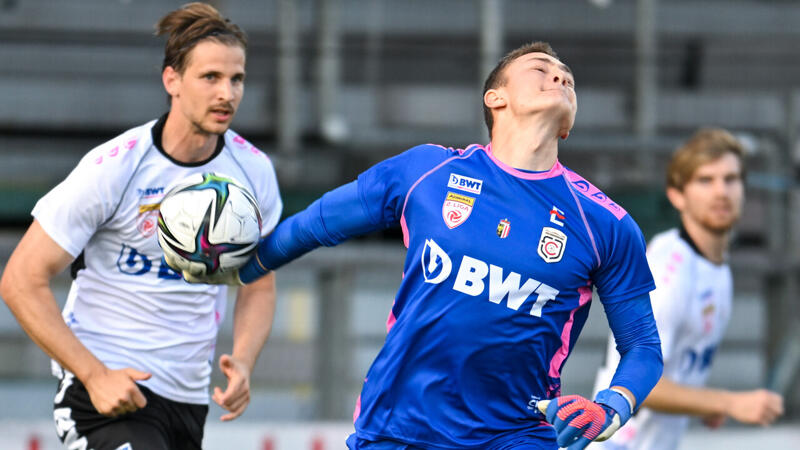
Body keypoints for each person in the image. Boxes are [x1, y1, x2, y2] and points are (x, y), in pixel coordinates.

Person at [186, 41, 663, 449]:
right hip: (399, 426)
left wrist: (611, 407)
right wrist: (239, 269)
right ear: (494, 98)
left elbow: (642, 346)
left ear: (568, 124)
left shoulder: (606, 223)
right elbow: (316, 223)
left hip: (516, 433)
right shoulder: (427, 173)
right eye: (541, 70)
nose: (559, 77)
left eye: (567, 78)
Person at [0, 3, 282, 449]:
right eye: (210, 77)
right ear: (172, 80)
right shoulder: (117, 166)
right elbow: (20, 279)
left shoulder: (253, 172)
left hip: (188, 398)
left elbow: (258, 284)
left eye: (237, 78)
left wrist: (244, 362)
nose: (227, 93)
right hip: (106, 391)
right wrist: (94, 375)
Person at [592, 128, 784, 450]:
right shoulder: (669, 271)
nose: (721, 191)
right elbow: (634, 382)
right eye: (705, 180)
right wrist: (726, 403)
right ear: (677, 195)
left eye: (731, 178)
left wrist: (704, 404)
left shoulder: (717, 266)